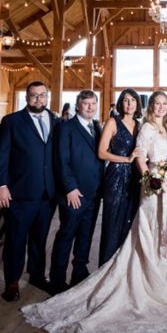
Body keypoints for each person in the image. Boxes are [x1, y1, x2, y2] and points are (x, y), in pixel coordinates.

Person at [22, 91, 167, 333]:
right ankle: (81, 277)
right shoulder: (135, 126)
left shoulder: (158, 126)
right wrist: (153, 178)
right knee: (112, 228)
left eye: (163, 104)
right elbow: (129, 155)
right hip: (126, 180)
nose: (158, 107)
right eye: (155, 103)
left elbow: (164, 158)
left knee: (138, 231)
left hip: (145, 185)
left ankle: (155, 277)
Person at [0, 82, 58, 302]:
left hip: (48, 193)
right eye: (34, 96)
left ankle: (37, 275)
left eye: (42, 96)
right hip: (19, 192)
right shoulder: (11, 122)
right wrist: (0, 185)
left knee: (40, 239)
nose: (39, 100)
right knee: (16, 239)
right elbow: (1, 155)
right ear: (26, 97)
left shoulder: (56, 121)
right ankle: (12, 281)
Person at [50, 91, 103, 292]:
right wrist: (70, 188)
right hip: (74, 193)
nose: (90, 107)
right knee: (67, 234)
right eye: (86, 104)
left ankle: (79, 272)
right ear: (77, 106)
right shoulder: (66, 128)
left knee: (86, 234)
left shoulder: (96, 127)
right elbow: (61, 161)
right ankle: (57, 279)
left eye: (93, 104)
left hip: (94, 192)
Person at [97, 89, 141, 265]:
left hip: (134, 178)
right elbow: (101, 152)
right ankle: (107, 268)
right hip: (115, 176)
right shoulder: (113, 122)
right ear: (121, 103)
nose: (129, 104)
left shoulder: (139, 124)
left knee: (130, 222)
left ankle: (125, 269)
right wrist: (126, 159)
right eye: (125, 100)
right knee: (113, 222)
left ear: (138, 104)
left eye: (132, 100)